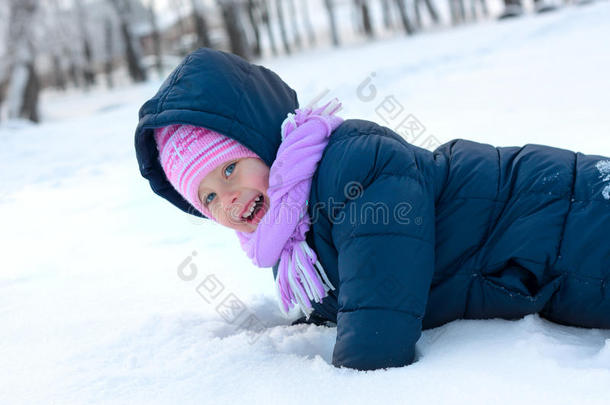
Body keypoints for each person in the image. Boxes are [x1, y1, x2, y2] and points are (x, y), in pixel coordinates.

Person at [134, 47, 610, 371]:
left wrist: (360, 375)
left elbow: (381, 295)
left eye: (231, 169)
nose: (227, 198)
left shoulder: (351, 165)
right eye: (208, 197)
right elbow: (350, 292)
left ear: (266, 142)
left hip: (552, 212)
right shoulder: (291, 236)